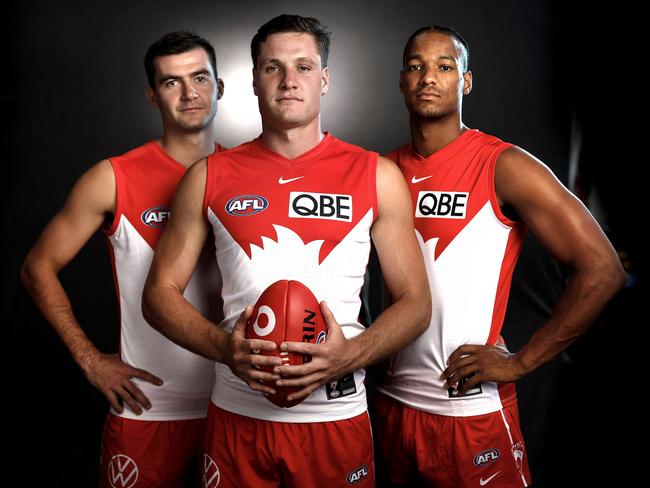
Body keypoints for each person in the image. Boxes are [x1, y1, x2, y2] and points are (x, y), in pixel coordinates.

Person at [142, 14, 431, 488]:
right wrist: (223, 348)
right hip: (237, 416)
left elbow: (416, 304)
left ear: (325, 79)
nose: (289, 80)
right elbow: (158, 295)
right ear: (254, 80)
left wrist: (350, 355)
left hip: (335, 417)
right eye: (272, 67)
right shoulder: (209, 175)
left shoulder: (376, 175)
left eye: (303, 66)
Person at [373, 26, 626, 488]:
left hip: (467, 414)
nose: (428, 77)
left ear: (465, 82)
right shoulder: (382, 172)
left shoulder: (503, 165)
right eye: (416, 66)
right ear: (402, 81)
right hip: (391, 406)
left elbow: (602, 270)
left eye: (445, 67)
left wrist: (520, 362)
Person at [20, 31, 225, 487]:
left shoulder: (247, 175)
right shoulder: (113, 177)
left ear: (220, 86)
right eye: (171, 82)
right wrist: (89, 359)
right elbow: (37, 266)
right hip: (150, 410)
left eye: (200, 78)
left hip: (235, 408)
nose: (190, 93)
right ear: (152, 95)